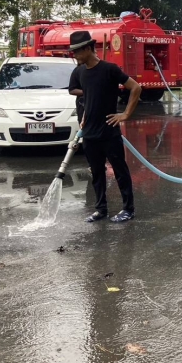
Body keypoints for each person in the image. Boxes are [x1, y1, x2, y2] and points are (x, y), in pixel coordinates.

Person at [68, 31, 142, 223]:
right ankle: (101, 209)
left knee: (120, 171)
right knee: (97, 173)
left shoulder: (109, 69)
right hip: (90, 133)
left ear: (87, 48)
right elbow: (89, 98)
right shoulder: (80, 72)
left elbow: (136, 88)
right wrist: (85, 117)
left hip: (109, 132)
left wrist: (125, 114)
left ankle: (128, 209)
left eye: (76, 51)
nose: (74, 55)